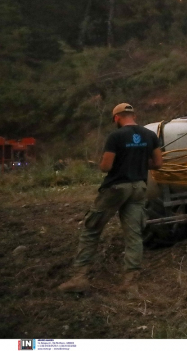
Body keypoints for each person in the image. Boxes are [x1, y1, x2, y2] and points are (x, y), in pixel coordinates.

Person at [58, 103, 163, 294]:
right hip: (139, 188)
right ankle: (131, 283)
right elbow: (158, 163)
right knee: (134, 235)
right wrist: (138, 161)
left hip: (116, 188)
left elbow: (106, 166)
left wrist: (117, 161)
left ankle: (79, 277)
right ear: (134, 115)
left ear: (116, 118)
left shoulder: (116, 136)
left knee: (92, 228)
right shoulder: (150, 135)